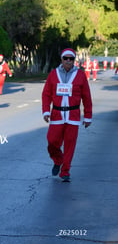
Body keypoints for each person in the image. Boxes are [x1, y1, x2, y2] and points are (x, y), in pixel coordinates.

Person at [42, 48, 92, 182]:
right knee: (52, 141)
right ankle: (58, 160)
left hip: (73, 116)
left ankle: (65, 171)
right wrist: (46, 111)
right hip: (57, 115)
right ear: (61, 60)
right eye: (66, 58)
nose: (68, 61)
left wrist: (88, 116)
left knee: (70, 144)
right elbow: (46, 94)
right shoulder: (53, 74)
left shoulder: (80, 75)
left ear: (74, 60)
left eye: (71, 59)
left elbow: (86, 97)